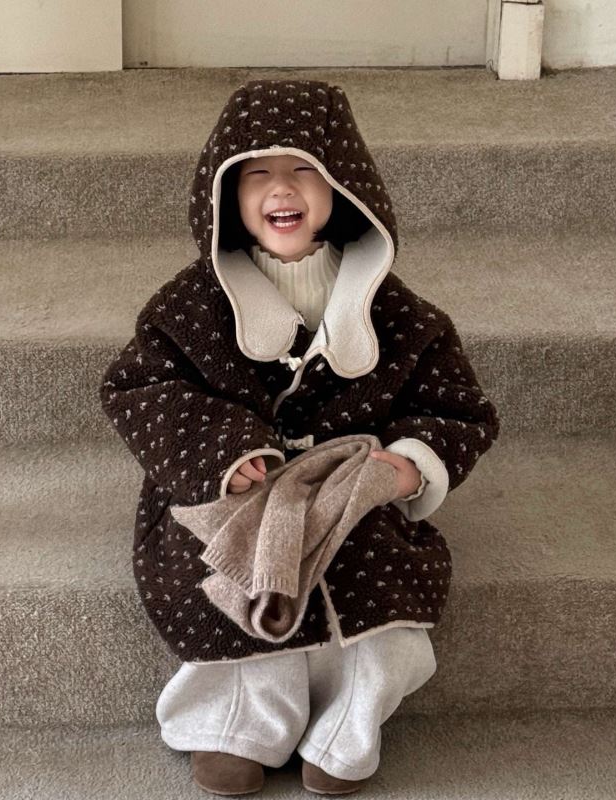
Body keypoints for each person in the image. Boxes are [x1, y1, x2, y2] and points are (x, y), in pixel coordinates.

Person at [99, 79, 500, 795]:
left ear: (345, 188)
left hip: (346, 490)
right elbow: (139, 388)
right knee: (235, 572)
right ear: (224, 195)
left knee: (378, 582)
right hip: (233, 490)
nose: (280, 188)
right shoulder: (189, 306)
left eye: (303, 170)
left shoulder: (399, 312)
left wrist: (408, 466)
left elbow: (454, 407)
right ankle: (234, 726)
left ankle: (347, 727)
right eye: (256, 173)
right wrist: (224, 452)